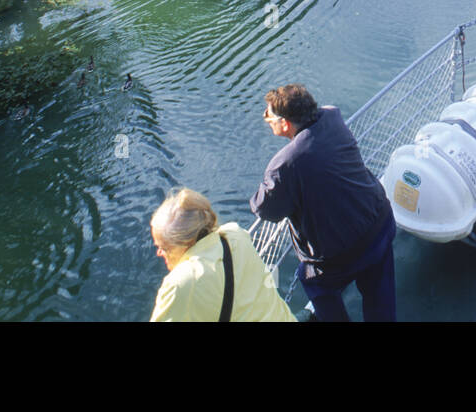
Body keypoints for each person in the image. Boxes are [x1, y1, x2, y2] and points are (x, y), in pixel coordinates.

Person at [251, 84, 396, 321]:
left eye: (269, 115)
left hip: (340, 256)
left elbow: (266, 209)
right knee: (379, 291)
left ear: (285, 124)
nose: (265, 117)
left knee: (312, 280)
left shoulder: (284, 165)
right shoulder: (333, 117)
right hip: (379, 224)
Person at [149, 187, 295, 322]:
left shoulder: (179, 284)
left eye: (163, 247)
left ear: (184, 243)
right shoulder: (235, 234)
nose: (159, 253)